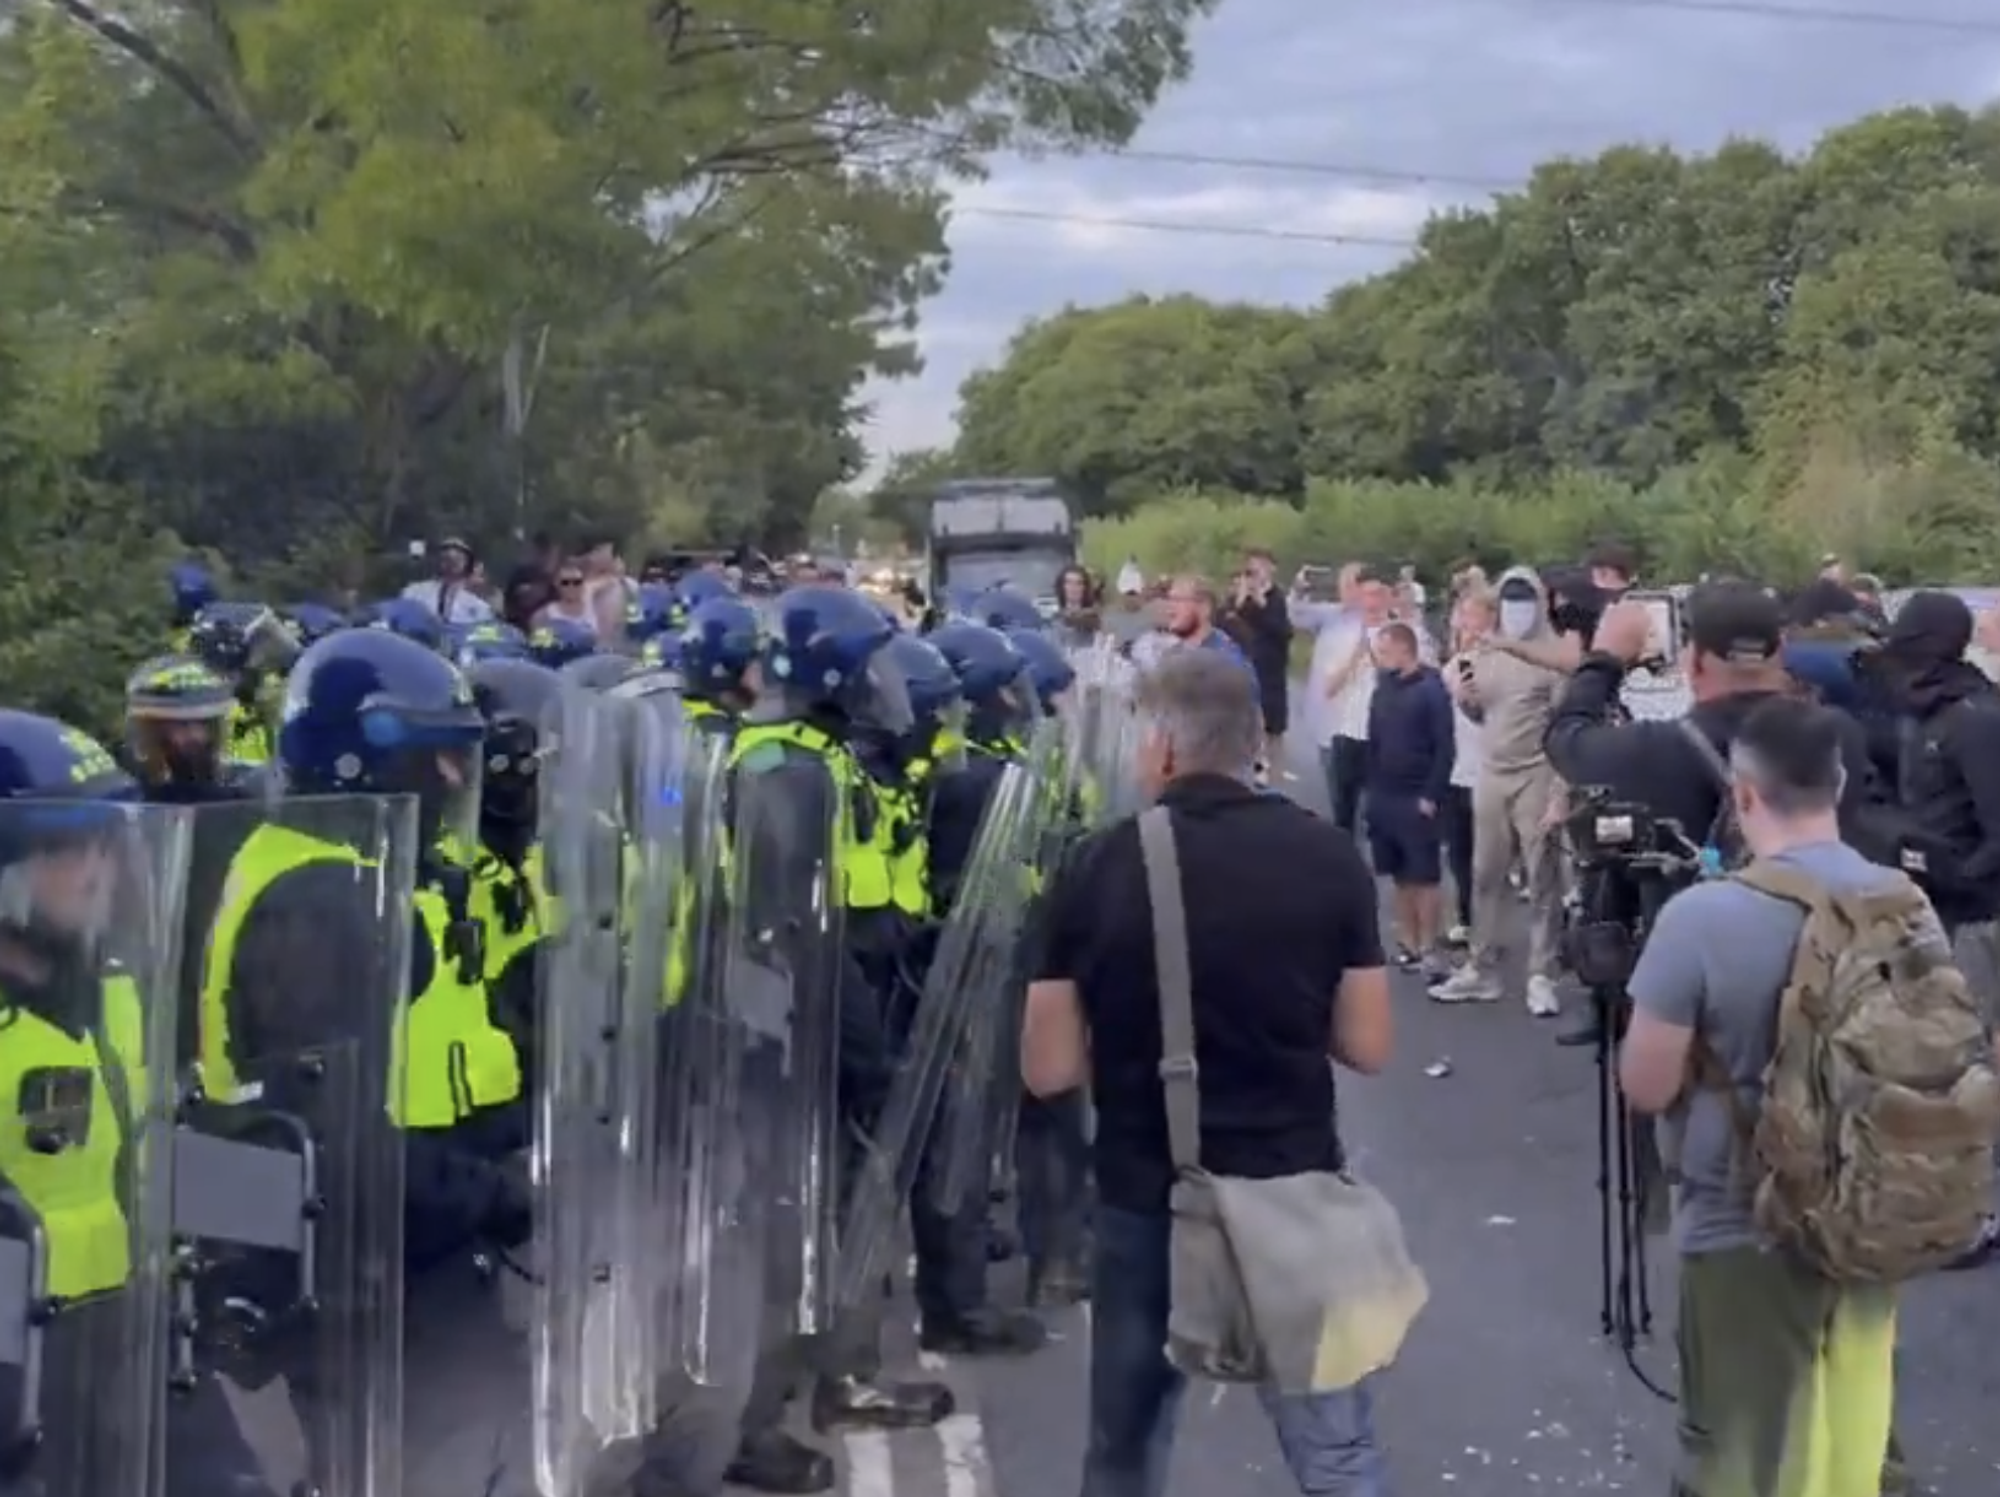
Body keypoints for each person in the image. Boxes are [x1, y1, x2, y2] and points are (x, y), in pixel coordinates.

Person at [1023, 649, 1394, 1497]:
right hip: (1291, 1190)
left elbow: (1047, 1069)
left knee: (1126, 1446)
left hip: (1148, 1195)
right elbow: (1368, 1044)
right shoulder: (1329, 855)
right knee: (1335, 1451)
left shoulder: (1095, 864)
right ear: (1253, 743)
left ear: (1158, 746)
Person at [1617, 697, 1986, 1497]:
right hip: (1870, 1198)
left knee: (1750, 1450)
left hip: (1743, 1218)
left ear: (1744, 795)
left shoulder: (1701, 916)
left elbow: (1645, 1085)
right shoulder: (1901, 899)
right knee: (1854, 1421)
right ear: (1841, 783)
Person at [1540, 581, 1887, 1045]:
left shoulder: (1655, 749)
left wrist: (1605, 657)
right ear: (1780, 650)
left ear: (1694, 660)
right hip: (1819, 971)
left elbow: (1566, 736)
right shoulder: (1837, 734)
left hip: (1701, 987)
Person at [1428, 566, 1566, 1015]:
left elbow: (1568, 727)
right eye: (1510, 602)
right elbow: (1480, 713)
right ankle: (1480, 967)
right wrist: (1466, 698)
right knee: (1485, 873)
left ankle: (1541, 973)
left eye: (1526, 602)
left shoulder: (1553, 656)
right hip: (1492, 771)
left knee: (1542, 874)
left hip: (1538, 770)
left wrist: (1561, 791)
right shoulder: (1486, 651)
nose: (1517, 611)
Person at [1362, 622, 1454, 979]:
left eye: (1385, 652)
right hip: (1384, 793)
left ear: (1404, 649)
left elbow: (1445, 746)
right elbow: (1374, 738)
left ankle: (1430, 945)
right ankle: (1408, 942)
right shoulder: (1383, 687)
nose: (1380, 659)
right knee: (1400, 874)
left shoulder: (1431, 690)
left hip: (1417, 795)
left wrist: (1432, 794)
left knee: (1424, 875)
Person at [1230, 549, 1294, 772]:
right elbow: (1226, 626)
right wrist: (1241, 600)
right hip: (1242, 679)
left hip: (1271, 679)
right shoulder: (1239, 598)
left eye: (1261, 566)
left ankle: (1274, 790)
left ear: (1271, 569)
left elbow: (1283, 633)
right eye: (1251, 568)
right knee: (1242, 743)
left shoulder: (1278, 598)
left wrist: (1261, 604)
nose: (1255, 573)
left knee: (1272, 740)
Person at [401, 536, 495, 625]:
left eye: (458, 558)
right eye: (446, 558)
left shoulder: (479, 607)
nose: (451, 561)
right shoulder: (414, 592)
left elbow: (483, 636)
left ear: (468, 563)